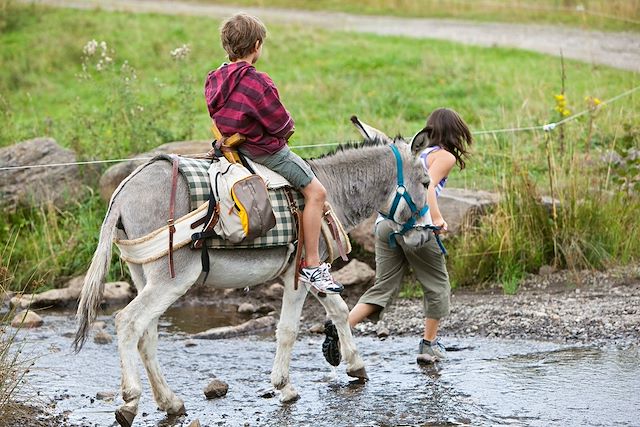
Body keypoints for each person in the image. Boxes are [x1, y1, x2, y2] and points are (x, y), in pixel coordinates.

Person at [204, 13, 342, 294]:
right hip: (263, 151)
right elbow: (280, 124)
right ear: (257, 45)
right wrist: (286, 130)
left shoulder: (214, 78)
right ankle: (313, 265)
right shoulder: (258, 82)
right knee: (316, 193)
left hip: (231, 149)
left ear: (226, 46)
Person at [329, 108, 472, 364]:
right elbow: (426, 191)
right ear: (456, 132)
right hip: (414, 225)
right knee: (437, 284)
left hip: (385, 226)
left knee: (383, 287)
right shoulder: (445, 157)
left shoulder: (412, 151)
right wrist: (437, 220)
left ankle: (340, 327)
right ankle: (429, 346)